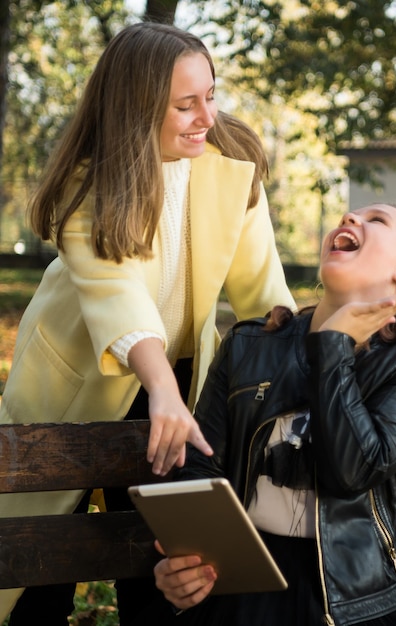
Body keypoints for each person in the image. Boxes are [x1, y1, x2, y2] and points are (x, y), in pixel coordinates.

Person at [0, 21, 295, 626]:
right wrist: (159, 386)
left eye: (210, 95)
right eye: (185, 105)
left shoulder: (233, 165)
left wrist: (306, 351)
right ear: (135, 109)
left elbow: (264, 295)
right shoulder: (93, 182)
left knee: (162, 564)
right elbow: (118, 297)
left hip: (181, 386)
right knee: (37, 561)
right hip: (74, 380)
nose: (206, 117)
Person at [152, 202, 396, 626]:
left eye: (377, 220)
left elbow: (349, 472)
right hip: (244, 589)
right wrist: (187, 562)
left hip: (363, 603)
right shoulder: (248, 345)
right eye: (351, 216)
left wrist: (333, 344)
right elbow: (199, 465)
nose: (350, 219)